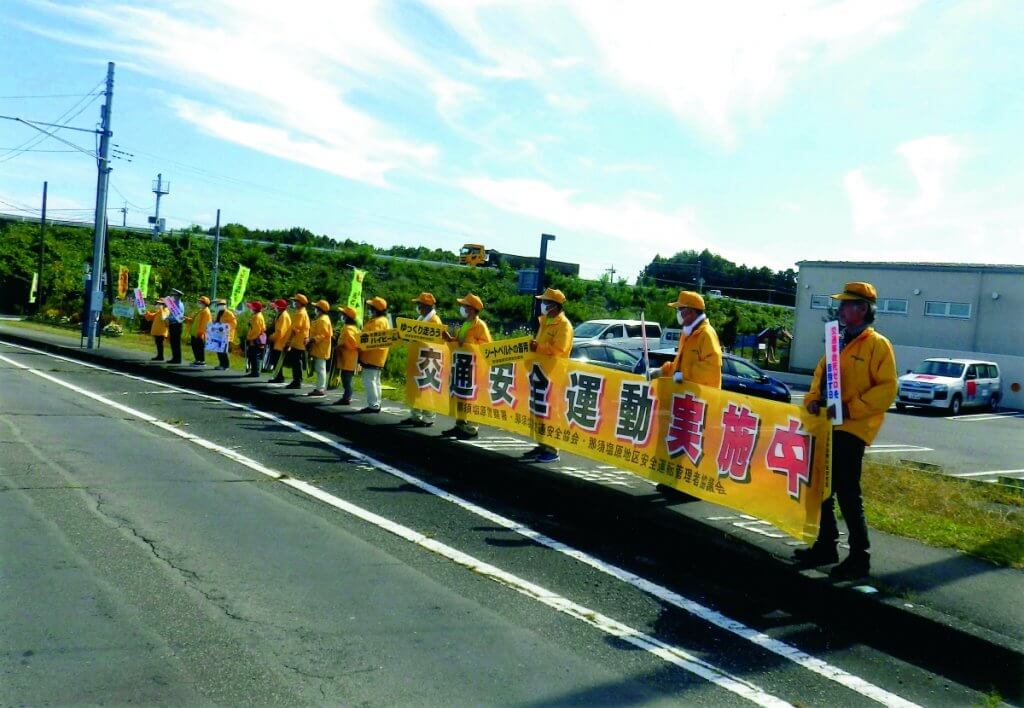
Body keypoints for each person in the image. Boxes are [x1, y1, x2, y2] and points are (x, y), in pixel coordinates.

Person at [794, 281, 897, 581]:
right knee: (821, 489)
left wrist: (852, 409)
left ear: (862, 309)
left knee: (848, 492)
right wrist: (813, 400)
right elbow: (820, 377)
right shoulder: (837, 341)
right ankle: (826, 545)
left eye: (846, 303)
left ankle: (859, 557)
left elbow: (888, 389)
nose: (840, 308)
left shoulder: (877, 345)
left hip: (852, 429)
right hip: (827, 425)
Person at [522, 288, 573, 463]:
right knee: (540, 410)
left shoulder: (564, 325)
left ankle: (552, 449)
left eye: (546, 302)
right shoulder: (545, 322)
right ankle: (542, 444)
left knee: (551, 412)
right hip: (540, 374)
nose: (543, 305)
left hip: (554, 376)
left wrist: (538, 348)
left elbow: (560, 349)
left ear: (555, 306)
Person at [441, 293, 491, 439]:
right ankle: (460, 424)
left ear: (472, 309)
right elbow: (458, 343)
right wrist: (450, 340)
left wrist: (467, 346)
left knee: (470, 396)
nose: (462, 308)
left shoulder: (480, 326)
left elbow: (485, 346)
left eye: (465, 306)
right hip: (461, 366)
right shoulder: (466, 324)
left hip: (473, 368)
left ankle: (471, 428)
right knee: (461, 395)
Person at [649, 290, 722, 389]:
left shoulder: (707, 334)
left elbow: (711, 370)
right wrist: (662, 371)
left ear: (691, 311)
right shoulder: (686, 333)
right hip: (686, 395)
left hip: (702, 399)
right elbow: (679, 366)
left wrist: (683, 374)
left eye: (680, 309)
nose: (678, 313)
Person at [400, 292, 443, 427]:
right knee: (416, 388)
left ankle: (429, 417)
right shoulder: (421, 318)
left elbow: (436, 343)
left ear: (426, 306)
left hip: (428, 359)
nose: (418, 306)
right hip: (418, 358)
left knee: (426, 388)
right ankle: (416, 415)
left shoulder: (434, 320)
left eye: (419, 304)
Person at [359, 296, 391, 413]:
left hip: (372, 356)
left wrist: (361, 348)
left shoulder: (378, 322)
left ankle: (373, 405)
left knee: (370, 380)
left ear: (375, 309)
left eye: (371, 307)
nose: (369, 309)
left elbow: (371, 340)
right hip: (378, 357)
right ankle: (376, 403)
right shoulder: (384, 320)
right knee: (376, 381)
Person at [332, 306, 360, 406]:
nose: (341, 316)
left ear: (347, 317)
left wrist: (342, 345)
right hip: (347, 358)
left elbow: (353, 343)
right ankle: (346, 396)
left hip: (348, 358)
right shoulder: (350, 327)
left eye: (343, 315)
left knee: (346, 379)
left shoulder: (349, 329)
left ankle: (347, 397)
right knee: (345, 378)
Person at [306, 299, 333, 398]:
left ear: (320, 309)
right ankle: (319, 388)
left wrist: (312, 339)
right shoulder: (321, 318)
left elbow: (323, 334)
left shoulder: (323, 320)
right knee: (319, 368)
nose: (315, 309)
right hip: (319, 347)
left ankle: (320, 389)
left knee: (320, 368)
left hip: (321, 348)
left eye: (316, 307)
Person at [285, 293, 311, 390]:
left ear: (300, 303)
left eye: (296, 301)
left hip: (298, 341)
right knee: (296, 361)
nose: (294, 303)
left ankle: (297, 381)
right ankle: (297, 380)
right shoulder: (301, 312)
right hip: (300, 341)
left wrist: (289, 341)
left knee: (296, 362)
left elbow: (295, 329)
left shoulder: (300, 313)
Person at [266, 298, 291, 382]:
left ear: (280, 307)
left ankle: (279, 377)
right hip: (279, 342)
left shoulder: (284, 316)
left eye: (276, 306)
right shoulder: (281, 314)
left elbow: (280, 332)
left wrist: (271, 337)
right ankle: (278, 376)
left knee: (278, 361)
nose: (275, 308)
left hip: (281, 342)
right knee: (276, 360)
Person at [244, 301, 267, 378]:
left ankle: (255, 372)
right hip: (256, 338)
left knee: (254, 356)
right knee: (253, 355)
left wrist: (251, 339)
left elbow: (256, 330)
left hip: (255, 339)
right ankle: (254, 371)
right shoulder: (258, 315)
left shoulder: (257, 317)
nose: (250, 308)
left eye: (251, 307)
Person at [212, 298, 236, 370]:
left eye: (222, 304)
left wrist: (225, 327)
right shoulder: (219, 313)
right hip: (219, 334)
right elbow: (216, 321)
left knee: (223, 350)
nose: (221, 306)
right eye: (219, 304)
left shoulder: (229, 313)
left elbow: (234, 323)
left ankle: (225, 365)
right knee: (218, 350)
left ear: (225, 305)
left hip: (226, 334)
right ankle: (221, 364)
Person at [188, 295, 212, 366]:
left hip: (199, 334)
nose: (199, 303)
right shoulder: (201, 311)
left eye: (200, 302)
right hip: (194, 333)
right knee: (195, 347)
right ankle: (197, 360)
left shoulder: (206, 312)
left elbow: (204, 324)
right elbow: (194, 320)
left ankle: (201, 361)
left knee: (199, 348)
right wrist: (185, 318)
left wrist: (200, 333)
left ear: (205, 303)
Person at [166, 288, 185, 364]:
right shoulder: (175, 303)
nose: (171, 296)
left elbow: (177, 317)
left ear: (177, 296)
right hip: (174, 325)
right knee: (173, 343)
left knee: (175, 343)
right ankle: (175, 358)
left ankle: (177, 359)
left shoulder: (178, 305)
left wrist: (167, 318)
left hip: (176, 325)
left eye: (173, 295)